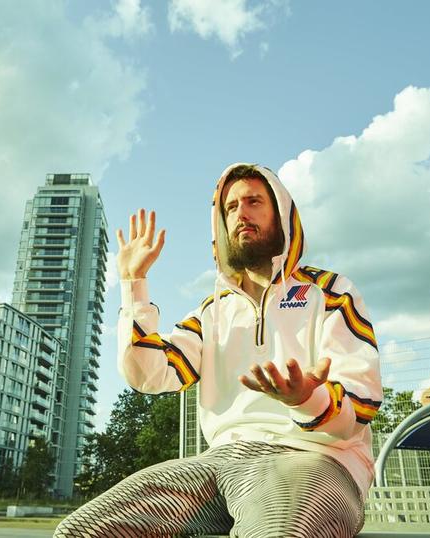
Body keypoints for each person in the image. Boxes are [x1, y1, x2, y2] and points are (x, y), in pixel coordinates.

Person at [55, 163, 383, 537]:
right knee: (80, 532)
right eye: (230, 207)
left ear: (282, 214)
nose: (241, 213)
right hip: (218, 462)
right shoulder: (212, 311)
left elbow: (359, 407)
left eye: (254, 201)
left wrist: (307, 397)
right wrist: (134, 283)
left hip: (314, 457)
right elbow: (150, 374)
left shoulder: (330, 292)